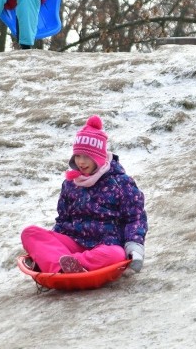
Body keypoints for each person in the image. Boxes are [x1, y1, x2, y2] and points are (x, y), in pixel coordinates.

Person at [20, 115, 148, 274]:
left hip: (105, 246)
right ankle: (62, 267)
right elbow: (63, 220)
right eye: (78, 156)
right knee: (29, 233)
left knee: (117, 255)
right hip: (74, 242)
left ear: (99, 157)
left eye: (87, 156)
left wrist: (135, 246)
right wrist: (50, 243)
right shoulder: (70, 184)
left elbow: (135, 217)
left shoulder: (121, 183)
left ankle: (68, 264)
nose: (81, 162)